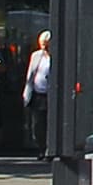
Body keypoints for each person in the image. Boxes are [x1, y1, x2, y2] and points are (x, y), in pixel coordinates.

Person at [25, 29, 55, 161]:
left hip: (51, 95)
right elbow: (30, 75)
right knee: (37, 124)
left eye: (46, 44)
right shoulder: (36, 56)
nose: (44, 47)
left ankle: (50, 149)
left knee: (50, 123)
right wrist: (27, 93)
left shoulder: (55, 56)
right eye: (42, 44)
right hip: (37, 94)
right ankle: (41, 148)